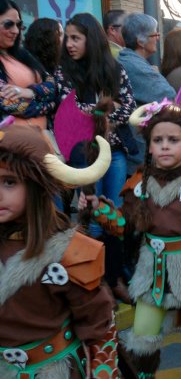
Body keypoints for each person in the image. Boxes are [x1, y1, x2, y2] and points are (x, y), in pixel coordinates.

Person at [80, 102, 181, 378]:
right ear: (149, 147)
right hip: (152, 269)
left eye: (173, 140)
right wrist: (98, 209)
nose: (165, 146)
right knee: (142, 334)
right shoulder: (137, 183)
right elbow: (123, 226)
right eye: (158, 140)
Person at [0, 122, 118, 378]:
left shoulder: (69, 249)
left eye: (9, 182)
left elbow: (98, 320)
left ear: (36, 187)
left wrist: (103, 368)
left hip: (54, 369)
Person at [54, 12, 136, 303]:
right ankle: (96, 284)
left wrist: (100, 111)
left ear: (92, 38)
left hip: (113, 154)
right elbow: (69, 112)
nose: (70, 44)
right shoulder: (64, 72)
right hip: (83, 158)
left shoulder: (114, 69)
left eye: (76, 38)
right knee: (92, 219)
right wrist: (103, 109)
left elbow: (129, 106)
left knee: (113, 216)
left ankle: (114, 279)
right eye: (68, 38)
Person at [118, 12, 176, 175]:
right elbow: (168, 95)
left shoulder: (131, 61)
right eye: (155, 34)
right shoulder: (134, 67)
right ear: (140, 41)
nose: (157, 38)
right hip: (138, 150)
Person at [0, 0, 56, 124]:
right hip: (14, 141)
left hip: (44, 137)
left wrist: (30, 92)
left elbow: (53, 84)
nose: (15, 31)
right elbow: (12, 106)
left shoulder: (23, 54)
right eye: (8, 24)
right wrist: (51, 105)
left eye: (19, 25)